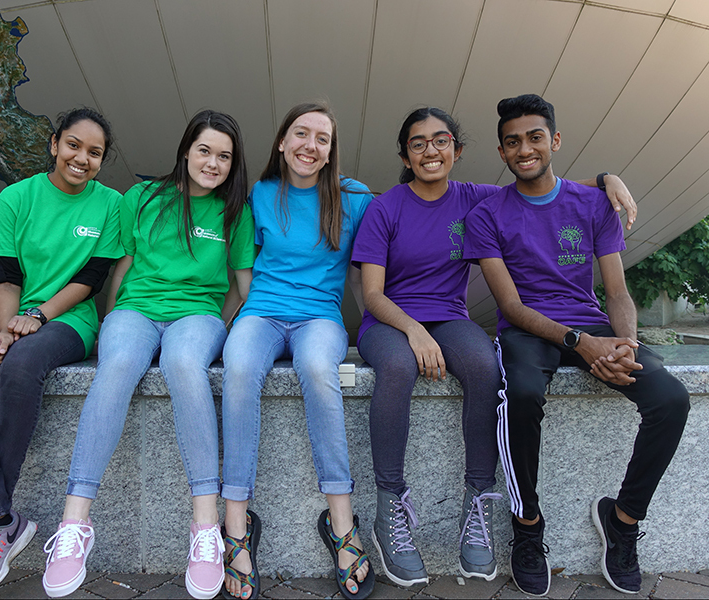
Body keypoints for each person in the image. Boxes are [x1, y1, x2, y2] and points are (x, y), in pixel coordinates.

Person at [352, 107, 638, 588]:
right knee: (398, 367)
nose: (430, 151)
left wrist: (607, 179)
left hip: (450, 317)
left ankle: (477, 507)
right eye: (418, 144)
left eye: (441, 141)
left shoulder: (476, 199)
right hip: (389, 321)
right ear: (405, 156)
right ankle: (390, 510)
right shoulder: (386, 208)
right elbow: (373, 295)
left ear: (457, 150)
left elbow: (543, 183)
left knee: (487, 367)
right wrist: (414, 331)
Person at [464, 94, 690, 597]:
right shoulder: (486, 215)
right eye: (513, 142)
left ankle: (623, 522)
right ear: (502, 152)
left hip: (589, 323)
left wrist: (624, 344)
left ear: (556, 141)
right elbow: (511, 306)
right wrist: (581, 344)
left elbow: (617, 292)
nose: (525, 149)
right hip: (527, 331)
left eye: (535, 137)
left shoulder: (593, 204)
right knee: (521, 396)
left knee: (672, 399)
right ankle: (527, 528)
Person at [40, 110, 255, 600]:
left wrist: (221, 327)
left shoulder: (234, 211)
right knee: (117, 366)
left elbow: (242, 287)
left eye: (224, 156)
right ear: (186, 151)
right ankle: (74, 524)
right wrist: (112, 322)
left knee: (183, 365)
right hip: (135, 310)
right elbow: (122, 268)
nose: (213, 163)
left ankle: (206, 529)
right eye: (204, 151)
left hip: (198, 315)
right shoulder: (142, 197)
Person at [0, 107, 124, 599]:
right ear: (54, 144)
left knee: (21, 367)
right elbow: (5, 276)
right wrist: (5, 329)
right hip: (4, 309)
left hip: (67, 319)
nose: (82, 158)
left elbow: (91, 280)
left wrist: (36, 319)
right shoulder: (15, 197)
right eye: (73, 145)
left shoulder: (110, 205)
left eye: (95, 153)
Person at [221, 102, 375, 600]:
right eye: (301, 134)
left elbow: (379, 256)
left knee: (316, 368)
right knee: (238, 368)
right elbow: (239, 262)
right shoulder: (260, 194)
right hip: (262, 312)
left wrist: (374, 328)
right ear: (283, 142)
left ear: (331, 151)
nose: (311, 145)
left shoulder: (354, 198)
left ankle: (341, 523)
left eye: (322, 139)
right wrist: (226, 321)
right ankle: (237, 525)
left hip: (319, 318)